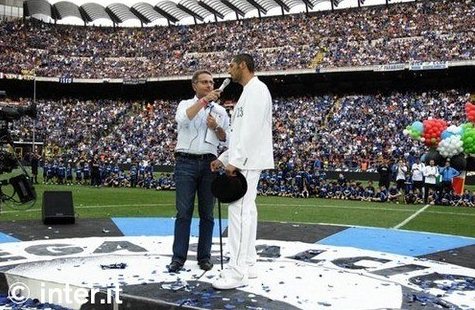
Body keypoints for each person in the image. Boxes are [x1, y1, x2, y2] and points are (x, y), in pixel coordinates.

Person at [210, 54, 274, 290]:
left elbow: (252, 132)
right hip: (244, 159)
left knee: (238, 213)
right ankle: (248, 262)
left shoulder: (257, 90)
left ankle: (236, 272)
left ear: (243, 66)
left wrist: (235, 162)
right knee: (248, 209)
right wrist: (224, 158)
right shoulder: (248, 92)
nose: (229, 69)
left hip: (246, 162)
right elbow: (239, 134)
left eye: (231, 65)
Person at [168, 70, 229, 273]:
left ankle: (204, 257)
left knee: (207, 214)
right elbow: (183, 120)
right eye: (204, 82)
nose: (209, 85)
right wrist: (203, 102)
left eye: (211, 82)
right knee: (183, 212)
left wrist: (216, 126)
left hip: (209, 163)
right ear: (194, 85)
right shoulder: (185, 104)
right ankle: (178, 258)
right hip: (185, 161)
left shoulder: (220, 111)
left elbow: (225, 138)